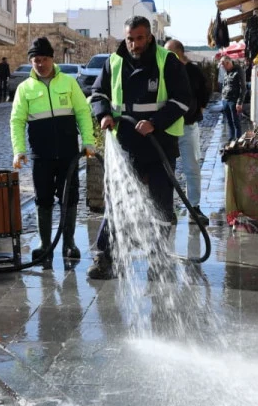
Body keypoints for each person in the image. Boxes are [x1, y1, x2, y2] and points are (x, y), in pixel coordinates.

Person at [86, 16, 192, 280]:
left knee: (161, 204)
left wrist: (155, 123)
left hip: (159, 145)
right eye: (130, 38)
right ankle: (105, 257)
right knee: (117, 202)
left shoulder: (166, 61)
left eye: (140, 38)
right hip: (125, 145)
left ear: (149, 37)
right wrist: (103, 115)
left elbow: (183, 100)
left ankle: (159, 258)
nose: (134, 44)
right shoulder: (114, 62)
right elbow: (98, 94)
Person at [11, 37, 95, 262]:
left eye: (44, 59)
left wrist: (88, 141)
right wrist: (19, 150)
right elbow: (17, 121)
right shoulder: (25, 88)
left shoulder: (68, 83)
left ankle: (69, 243)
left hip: (68, 153)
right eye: (36, 60)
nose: (41, 64)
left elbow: (82, 112)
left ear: (52, 59)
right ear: (31, 62)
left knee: (69, 197)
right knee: (43, 198)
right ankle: (45, 244)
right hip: (42, 154)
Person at [166, 39, 210, 226]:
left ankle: (194, 207)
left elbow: (205, 91)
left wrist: (199, 109)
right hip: (167, 127)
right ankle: (168, 207)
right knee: (167, 169)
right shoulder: (164, 71)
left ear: (178, 53)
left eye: (169, 52)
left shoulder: (192, 71)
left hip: (187, 126)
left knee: (191, 167)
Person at [220, 57, 247, 143]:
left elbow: (243, 88)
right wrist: (222, 98)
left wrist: (239, 102)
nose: (223, 67)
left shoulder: (238, 71)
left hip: (234, 100)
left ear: (228, 63)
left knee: (236, 122)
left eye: (223, 65)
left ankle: (238, 140)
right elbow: (225, 85)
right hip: (225, 100)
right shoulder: (226, 72)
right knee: (229, 121)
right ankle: (232, 138)